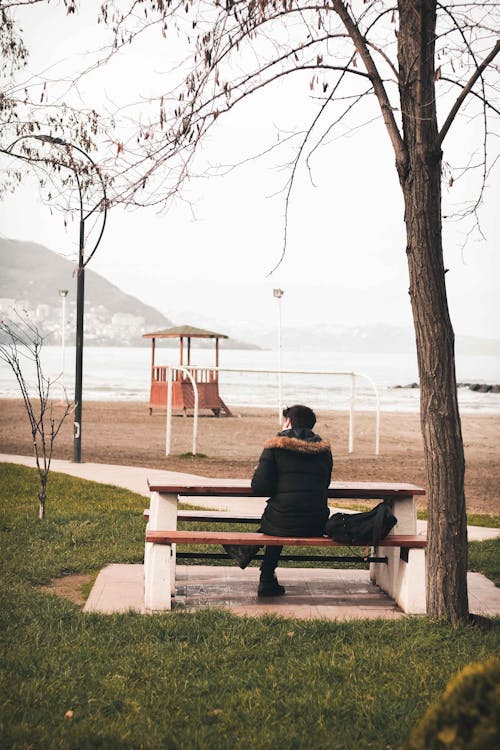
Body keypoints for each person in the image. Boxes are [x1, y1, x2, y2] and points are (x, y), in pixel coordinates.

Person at [224, 404, 333, 597]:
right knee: (283, 516)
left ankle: (252, 559)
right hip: (316, 522)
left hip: (282, 519)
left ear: (288, 422)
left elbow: (260, 487)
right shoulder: (324, 450)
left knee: (280, 517)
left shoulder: (276, 445)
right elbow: (325, 482)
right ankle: (263, 575)